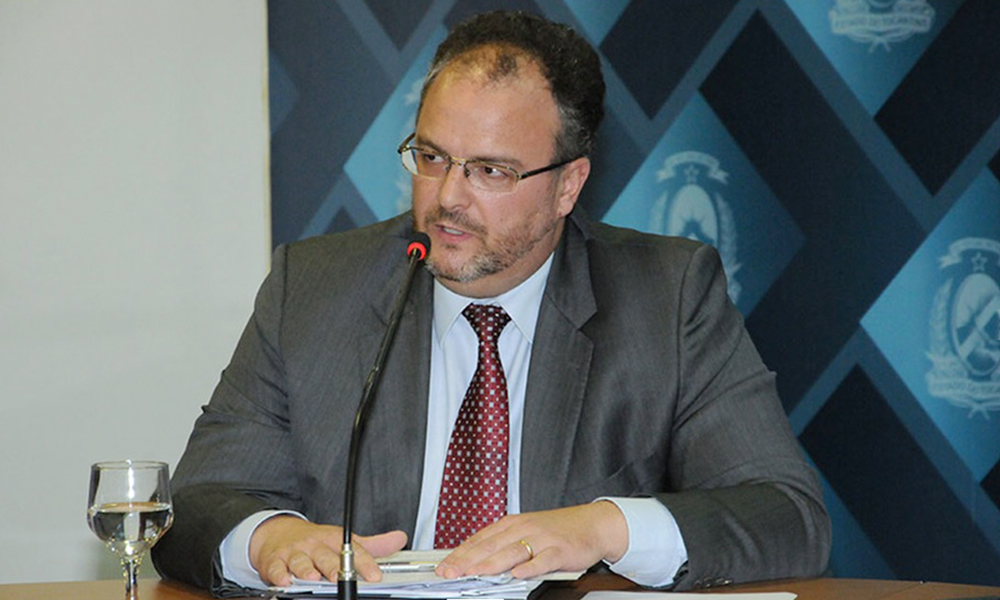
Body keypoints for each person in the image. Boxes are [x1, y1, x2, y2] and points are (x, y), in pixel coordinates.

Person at [151, 10, 831, 595]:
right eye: (432, 157)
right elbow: (193, 506)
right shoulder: (315, 287)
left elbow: (788, 516)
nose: (447, 197)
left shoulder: (667, 296)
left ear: (568, 186)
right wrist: (269, 539)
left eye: (490, 171)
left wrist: (602, 527)